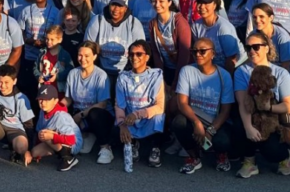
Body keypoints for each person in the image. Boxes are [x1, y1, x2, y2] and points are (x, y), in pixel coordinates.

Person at [233, 31, 290, 179]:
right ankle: (249, 161)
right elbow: (243, 102)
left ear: (267, 48)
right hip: (251, 114)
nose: (252, 51)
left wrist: (268, 107)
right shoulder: (241, 71)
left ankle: (284, 156)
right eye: (248, 48)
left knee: (271, 151)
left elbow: (289, 106)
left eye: (256, 47)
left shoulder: (280, 73)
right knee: (239, 125)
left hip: (274, 118)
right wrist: (248, 128)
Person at [172, 37, 235, 174]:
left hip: (215, 120)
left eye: (202, 51)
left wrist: (210, 131)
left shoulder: (224, 76)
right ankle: (194, 157)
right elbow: (182, 102)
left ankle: (221, 155)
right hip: (195, 116)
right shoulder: (187, 71)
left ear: (213, 54)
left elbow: (225, 111)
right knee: (179, 122)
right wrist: (196, 123)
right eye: (194, 52)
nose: (198, 55)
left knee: (223, 141)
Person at [114, 40, 166, 169]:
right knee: (117, 124)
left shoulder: (156, 76)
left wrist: (137, 114)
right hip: (129, 119)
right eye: (131, 54)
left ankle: (155, 147)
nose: (134, 57)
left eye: (139, 54)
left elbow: (159, 106)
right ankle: (133, 144)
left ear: (147, 57)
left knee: (160, 117)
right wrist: (122, 125)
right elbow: (119, 105)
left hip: (145, 117)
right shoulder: (123, 77)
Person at [63, 42, 113, 163]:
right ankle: (88, 135)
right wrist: (56, 109)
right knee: (59, 113)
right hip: (79, 114)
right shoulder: (73, 73)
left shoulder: (101, 75)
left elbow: (102, 104)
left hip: (99, 116)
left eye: (87, 55)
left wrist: (80, 116)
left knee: (94, 113)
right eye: (80, 55)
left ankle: (106, 148)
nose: (82, 59)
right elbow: (68, 99)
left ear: (95, 56)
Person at [85, 0, 145, 86]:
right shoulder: (97, 21)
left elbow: (142, 53)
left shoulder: (134, 24)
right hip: (101, 70)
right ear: (109, 5)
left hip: (126, 70)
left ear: (125, 8)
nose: (116, 9)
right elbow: (87, 49)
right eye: (113, 5)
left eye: (120, 6)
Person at [190, 0, 245, 74]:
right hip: (214, 68)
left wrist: (224, 80)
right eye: (199, 3)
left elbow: (231, 59)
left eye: (206, 3)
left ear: (215, 5)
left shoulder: (223, 27)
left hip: (237, 66)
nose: (201, 7)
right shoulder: (196, 26)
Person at [30, 84, 82, 172]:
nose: (43, 103)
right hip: (57, 138)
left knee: (45, 134)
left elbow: (71, 139)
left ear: (55, 101)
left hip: (73, 143)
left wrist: (52, 137)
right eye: (41, 99)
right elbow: (38, 131)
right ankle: (57, 151)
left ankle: (68, 158)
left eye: (47, 100)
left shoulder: (60, 116)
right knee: (34, 152)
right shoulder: (42, 112)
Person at [145, 0, 191, 85]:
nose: (157, 5)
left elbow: (184, 53)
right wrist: (161, 78)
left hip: (183, 69)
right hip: (166, 69)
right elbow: (156, 52)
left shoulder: (179, 22)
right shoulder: (152, 24)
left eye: (161, 1)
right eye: (154, 1)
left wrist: (177, 80)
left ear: (169, 2)